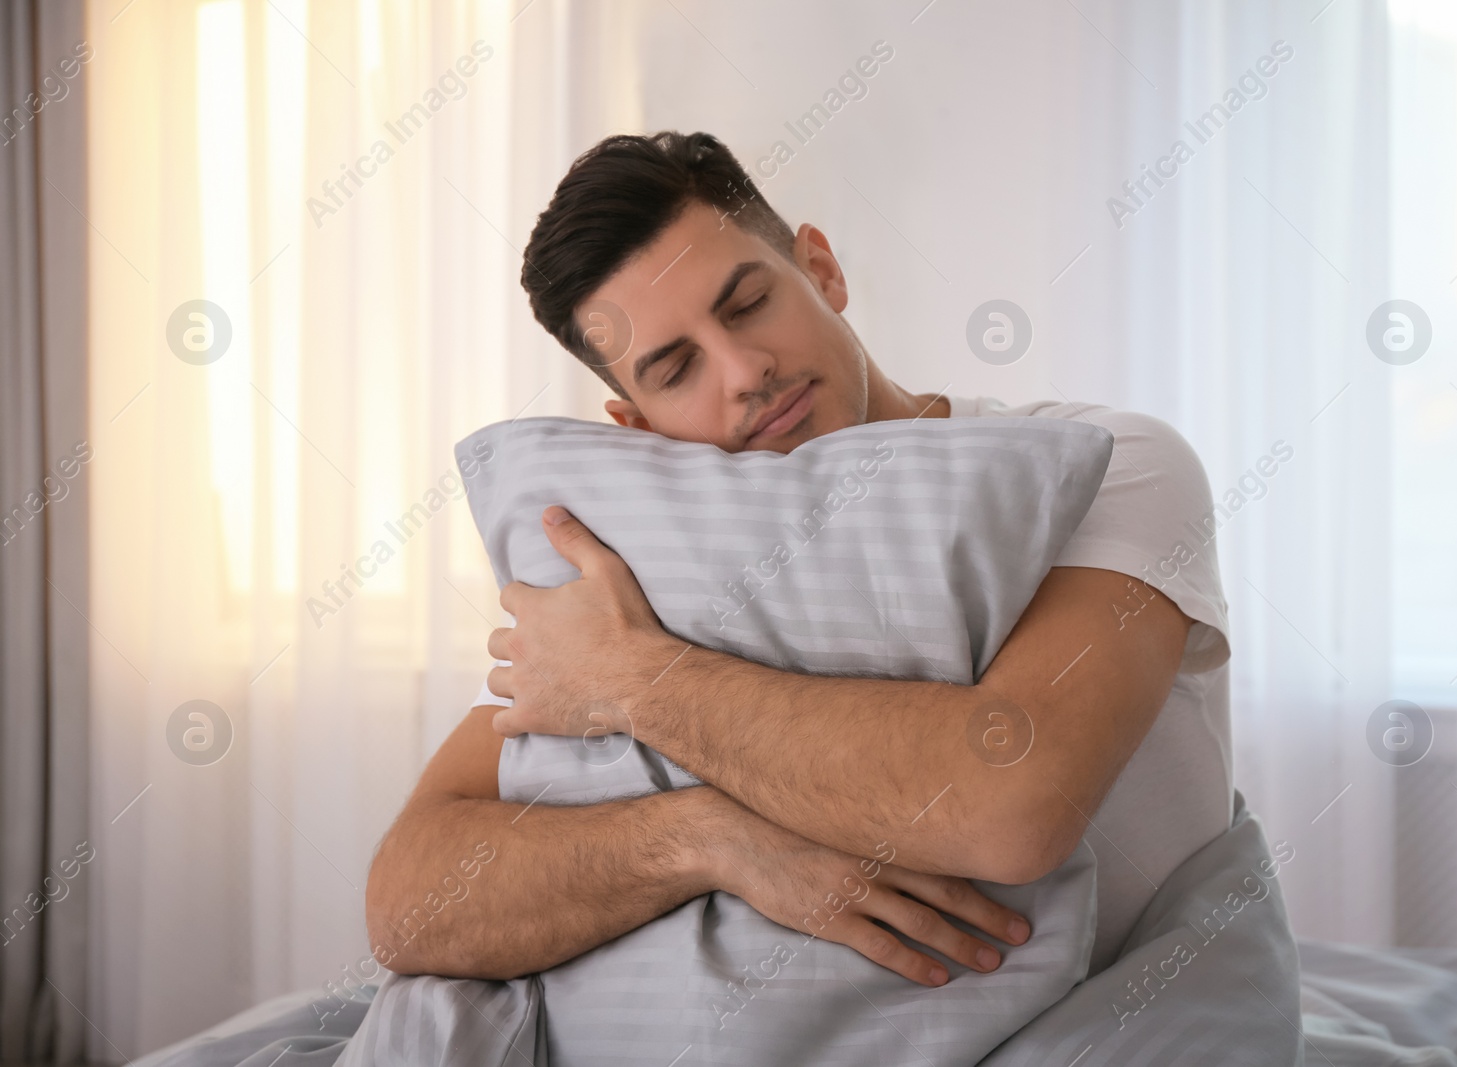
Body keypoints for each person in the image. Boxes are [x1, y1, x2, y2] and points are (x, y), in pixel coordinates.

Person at [364, 131, 1231, 989]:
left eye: (746, 305)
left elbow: (1010, 807)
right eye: (675, 368)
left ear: (820, 269)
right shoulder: (640, 563)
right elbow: (408, 902)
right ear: (637, 427)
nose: (745, 371)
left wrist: (637, 680)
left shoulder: (1115, 463)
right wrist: (705, 840)